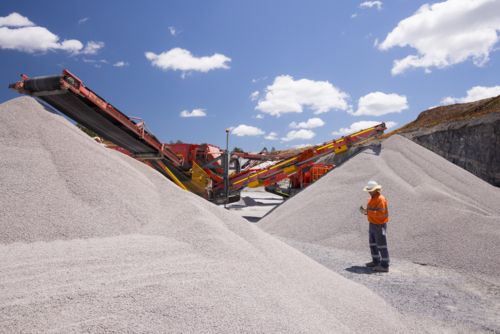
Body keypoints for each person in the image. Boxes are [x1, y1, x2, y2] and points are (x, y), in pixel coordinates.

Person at [359, 181, 389, 272]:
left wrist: (367, 212)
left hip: (379, 225)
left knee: (381, 245)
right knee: (373, 244)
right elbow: (370, 211)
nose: (369, 192)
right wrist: (364, 212)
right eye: (368, 190)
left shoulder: (381, 199)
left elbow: (380, 213)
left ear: (376, 189)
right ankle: (376, 261)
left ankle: (385, 265)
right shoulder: (371, 199)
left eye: (371, 190)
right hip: (372, 223)